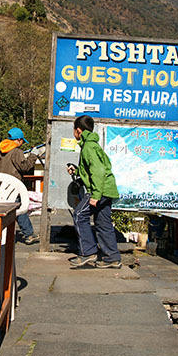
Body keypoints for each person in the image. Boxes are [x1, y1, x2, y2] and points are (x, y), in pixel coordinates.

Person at [67, 115, 120, 268]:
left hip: (99, 190)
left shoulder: (89, 147)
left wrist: (96, 195)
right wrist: (77, 171)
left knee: (79, 215)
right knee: (103, 223)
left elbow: (98, 171)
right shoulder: (92, 145)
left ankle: (88, 252)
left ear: (78, 130)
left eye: (74, 130)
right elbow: (91, 170)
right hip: (107, 189)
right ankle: (112, 258)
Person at [0, 127, 40, 244]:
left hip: (1, 188)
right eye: (22, 141)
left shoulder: (1, 152)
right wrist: (33, 156)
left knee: (6, 211)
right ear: (18, 140)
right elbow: (25, 167)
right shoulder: (17, 152)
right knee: (19, 210)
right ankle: (29, 235)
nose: (22, 143)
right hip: (13, 188)